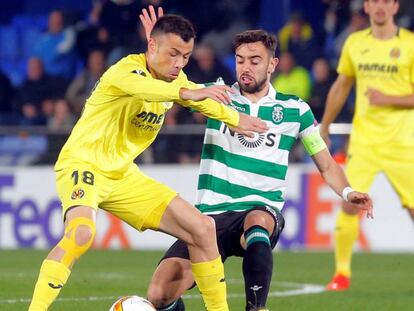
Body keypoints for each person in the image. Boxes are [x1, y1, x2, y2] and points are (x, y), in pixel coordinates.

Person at [28, 13, 269, 311]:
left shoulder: (173, 77)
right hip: (83, 164)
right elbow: (149, 89)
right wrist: (187, 90)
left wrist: (235, 119)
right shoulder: (124, 71)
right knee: (81, 233)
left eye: (186, 56)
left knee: (203, 229)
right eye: (173, 54)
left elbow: (198, 100)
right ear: (151, 46)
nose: (179, 63)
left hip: (123, 176)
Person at [140, 10, 373, 311]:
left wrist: (348, 192)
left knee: (258, 221)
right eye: (239, 60)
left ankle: (256, 308)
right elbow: (168, 84)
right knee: (159, 294)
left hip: (258, 208)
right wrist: (153, 47)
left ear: (272, 64)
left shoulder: (295, 110)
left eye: (254, 60)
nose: (245, 68)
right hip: (209, 218)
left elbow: (326, 164)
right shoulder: (217, 95)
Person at [320, 0, 414, 291]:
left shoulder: (410, 44)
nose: (380, 6)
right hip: (364, 142)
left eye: (387, 1)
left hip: (404, 143)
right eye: (374, 1)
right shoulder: (355, 42)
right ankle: (342, 274)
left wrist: (388, 99)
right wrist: (324, 126)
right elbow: (341, 85)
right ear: (367, 8)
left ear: (396, 7)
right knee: (350, 202)